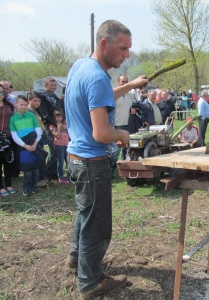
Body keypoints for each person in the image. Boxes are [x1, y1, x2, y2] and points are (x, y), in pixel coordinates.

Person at [64, 19, 148, 299]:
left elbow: (98, 99)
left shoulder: (81, 66)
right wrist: (123, 134)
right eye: (123, 49)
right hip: (92, 161)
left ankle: (77, 260)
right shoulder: (99, 76)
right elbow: (102, 133)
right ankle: (90, 282)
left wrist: (131, 85)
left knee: (85, 214)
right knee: (98, 224)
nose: (127, 56)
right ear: (104, 43)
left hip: (75, 157)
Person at [10, 96, 42, 196]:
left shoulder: (31, 115)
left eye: (25, 105)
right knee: (28, 168)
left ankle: (34, 185)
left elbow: (38, 130)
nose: (23, 107)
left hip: (34, 143)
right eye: (21, 105)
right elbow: (14, 136)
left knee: (36, 167)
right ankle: (26, 187)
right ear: (15, 104)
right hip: (24, 146)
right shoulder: (13, 119)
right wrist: (25, 146)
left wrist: (35, 142)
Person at [36, 77, 64, 180]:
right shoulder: (43, 97)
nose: (53, 87)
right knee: (54, 150)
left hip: (58, 125)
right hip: (49, 126)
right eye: (51, 85)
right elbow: (44, 114)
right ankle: (47, 172)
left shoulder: (55, 97)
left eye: (54, 85)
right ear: (45, 86)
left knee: (57, 150)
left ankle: (53, 172)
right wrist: (55, 124)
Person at [27, 91, 48, 187]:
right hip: (34, 138)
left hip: (40, 136)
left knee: (41, 157)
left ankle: (40, 178)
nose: (37, 103)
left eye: (39, 101)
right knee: (38, 159)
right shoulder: (28, 111)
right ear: (29, 100)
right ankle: (38, 180)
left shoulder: (35, 111)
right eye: (35, 100)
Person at [0, 83, 16, 196]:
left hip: (9, 137)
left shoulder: (9, 105)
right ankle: (1, 187)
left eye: (2, 92)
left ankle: (8, 184)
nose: (0, 94)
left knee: (9, 161)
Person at [114, 75, 134, 161]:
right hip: (117, 125)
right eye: (122, 81)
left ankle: (125, 167)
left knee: (127, 150)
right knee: (115, 150)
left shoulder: (130, 95)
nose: (124, 83)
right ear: (118, 82)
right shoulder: (114, 95)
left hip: (128, 125)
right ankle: (112, 168)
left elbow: (133, 107)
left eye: (126, 82)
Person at [49, 109, 69, 184]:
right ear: (54, 118)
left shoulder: (65, 124)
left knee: (68, 160)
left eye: (60, 117)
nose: (59, 119)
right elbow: (57, 136)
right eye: (57, 117)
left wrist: (64, 126)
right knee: (60, 161)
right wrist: (58, 127)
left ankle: (69, 175)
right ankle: (60, 176)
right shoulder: (52, 126)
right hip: (59, 145)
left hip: (67, 145)